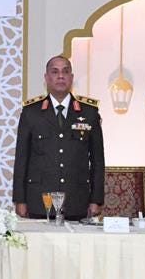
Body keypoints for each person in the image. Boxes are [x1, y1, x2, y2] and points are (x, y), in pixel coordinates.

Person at [13, 55, 105, 219]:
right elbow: (21, 159)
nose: (60, 76)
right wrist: (20, 200)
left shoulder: (89, 112)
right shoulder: (31, 112)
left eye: (65, 71)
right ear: (46, 77)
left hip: (77, 200)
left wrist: (96, 200)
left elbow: (98, 160)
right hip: (39, 200)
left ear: (72, 77)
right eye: (55, 72)